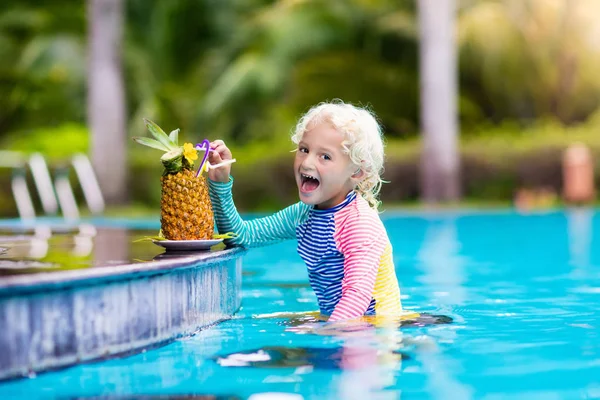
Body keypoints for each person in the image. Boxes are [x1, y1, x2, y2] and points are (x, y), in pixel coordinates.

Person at [207, 100, 410, 322]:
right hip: (342, 322)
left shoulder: (358, 224)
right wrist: (220, 183)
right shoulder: (303, 214)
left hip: (375, 334)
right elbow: (241, 236)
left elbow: (357, 297)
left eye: (325, 156)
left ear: (357, 172)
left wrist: (324, 334)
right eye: (304, 150)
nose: (307, 163)